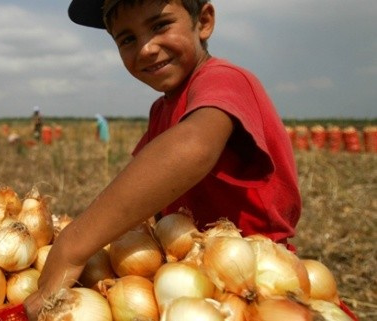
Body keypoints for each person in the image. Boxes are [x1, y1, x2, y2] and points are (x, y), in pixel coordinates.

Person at [25, 0, 304, 319]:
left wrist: (72, 247)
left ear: (204, 22)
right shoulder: (161, 109)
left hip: (251, 285)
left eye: (160, 26)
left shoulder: (225, 79)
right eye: (127, 39)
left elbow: (193, 146)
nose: (146, 48)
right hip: (187, 285)